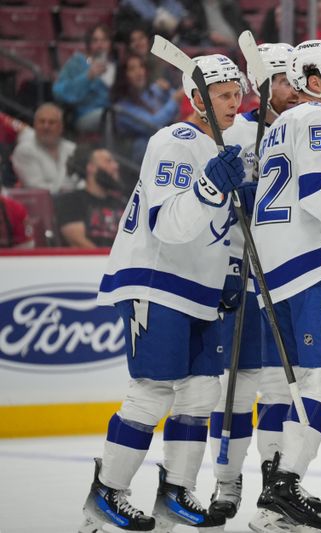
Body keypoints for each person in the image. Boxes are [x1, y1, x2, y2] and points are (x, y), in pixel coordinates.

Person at [80, 53, 252, 532]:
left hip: (198, 285)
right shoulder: (173, 140)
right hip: (156, 280)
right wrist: (209, 188)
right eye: (223, 95)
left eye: (237, 93)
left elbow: (223, 228)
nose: (234, 102)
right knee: (153, 390)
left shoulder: (224, 147)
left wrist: (232, 273)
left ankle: (176, 490)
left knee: (201, 392)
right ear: (196, 98)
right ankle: (106, 492)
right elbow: (168, 225)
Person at [248, 39, 321, 533]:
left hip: (273, 268)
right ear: (314, 81)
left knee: (296, 387)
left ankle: (275, 504)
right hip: (311, 263)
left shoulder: (280, 127)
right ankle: (284, 481)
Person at [204, 42, 312, 523]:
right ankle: (226, 484)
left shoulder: (305, 129)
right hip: (238, 280)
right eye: (284, 79)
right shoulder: (233, 132)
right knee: (235, 388)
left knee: (277, 389)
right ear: (261, 84)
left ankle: (275, 482)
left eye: (297, 78)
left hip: (282, 280)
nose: (293, 89)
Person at [113, 54, 183, 163]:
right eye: (132, 69)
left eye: (141, 67)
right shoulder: (121, 107)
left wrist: (168, 91)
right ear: (124, 76)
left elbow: (179, 99)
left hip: (165, 146)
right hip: (141, 156)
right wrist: (174, 100)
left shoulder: (152, 90)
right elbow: (152, 124)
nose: (139, 72)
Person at [55, 146, 127, 248]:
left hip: (119, 261)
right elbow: (77, 241)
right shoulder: (71, 201)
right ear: (91, 167)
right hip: (87, 262)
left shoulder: (122, 203)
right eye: (108, 161)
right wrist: (106, 260)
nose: (115, 166)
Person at [53, 24, 116, 133]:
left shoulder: (115, 66)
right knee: (110, 116)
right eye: (95, 40)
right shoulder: (77, 63)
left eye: (104, 40)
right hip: (85, 115)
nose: (100, 45)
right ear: (89, 43)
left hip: (116, 112)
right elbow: (58, 92)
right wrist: (88, 77)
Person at [10, 103, 77, 193]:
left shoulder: (72, 149)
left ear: (61, 127)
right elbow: (36, 188)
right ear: (35, 125)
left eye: (51, 122)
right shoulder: (24, 151)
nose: (46, 127)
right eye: (42, 122)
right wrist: (70, 189)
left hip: (74, 202)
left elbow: (82, 181)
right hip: (38, 205)